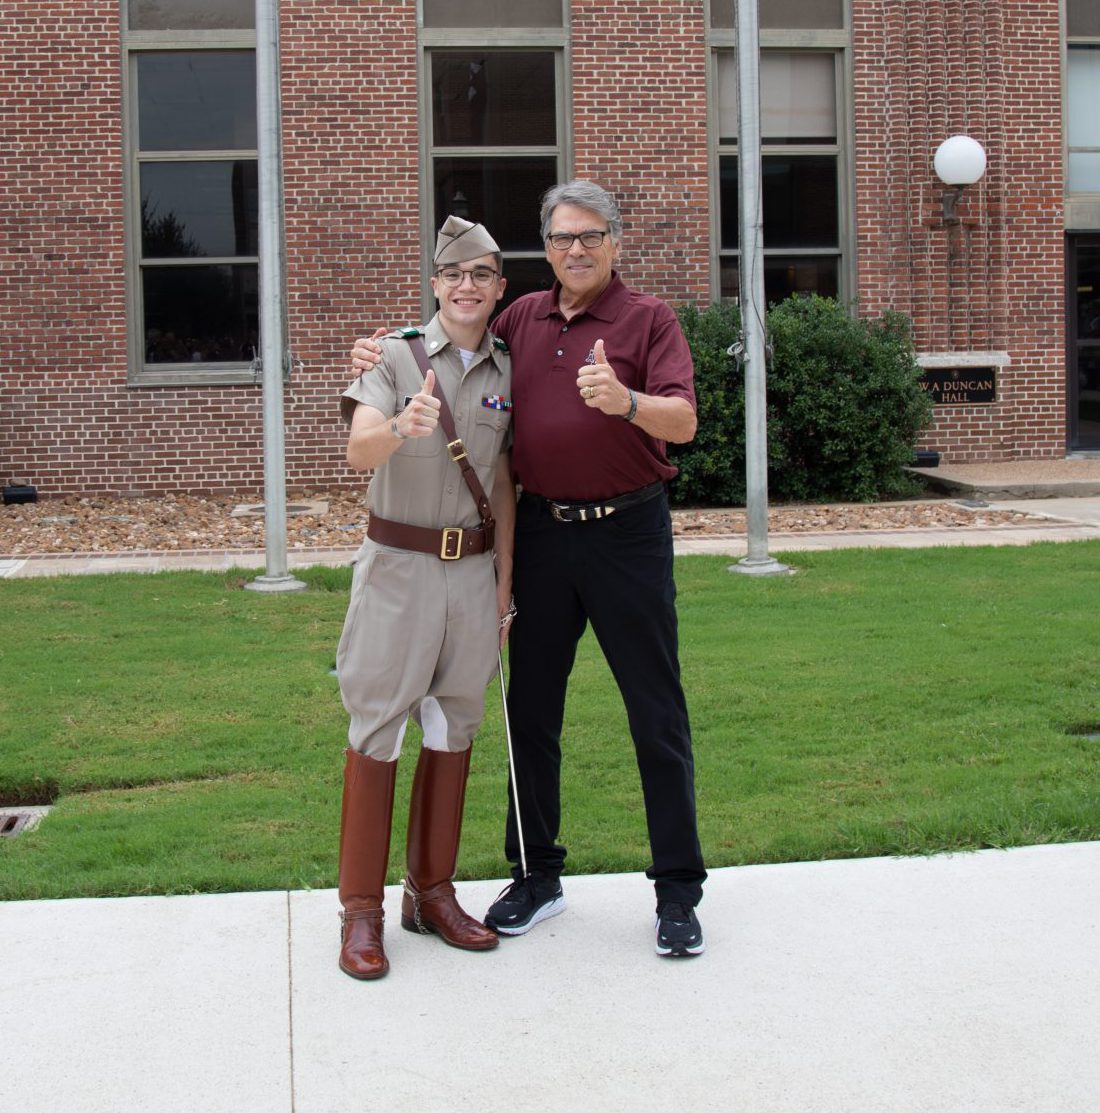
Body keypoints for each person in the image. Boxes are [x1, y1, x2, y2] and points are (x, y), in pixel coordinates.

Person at [351, 180, 707, 957]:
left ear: (615, 242)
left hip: (627, 536)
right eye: (560, 239)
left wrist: (626, 401)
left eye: (589, 236)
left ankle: (678, 890)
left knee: (655, 711)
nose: (575, 251)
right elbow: (453, 333)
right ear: (544, 251)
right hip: (543, 535)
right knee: (529, 714)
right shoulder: (521, 317)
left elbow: (682, 419)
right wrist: (381, 352)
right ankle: (536, 873)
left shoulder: (648, 320)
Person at [335, 214, 516, 980]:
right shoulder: (396, 357)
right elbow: (356, 447)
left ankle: (432, 894)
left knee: (454, 728)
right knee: (377, 729)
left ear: (499, 288)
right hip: (400, 568)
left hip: (472, 576)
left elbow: (505, 482)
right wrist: (401, 428)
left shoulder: (510, 368)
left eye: (482, 275)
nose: (467, 287)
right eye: (454, 275)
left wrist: (504, 588)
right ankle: (361, 915)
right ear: (435, 284)